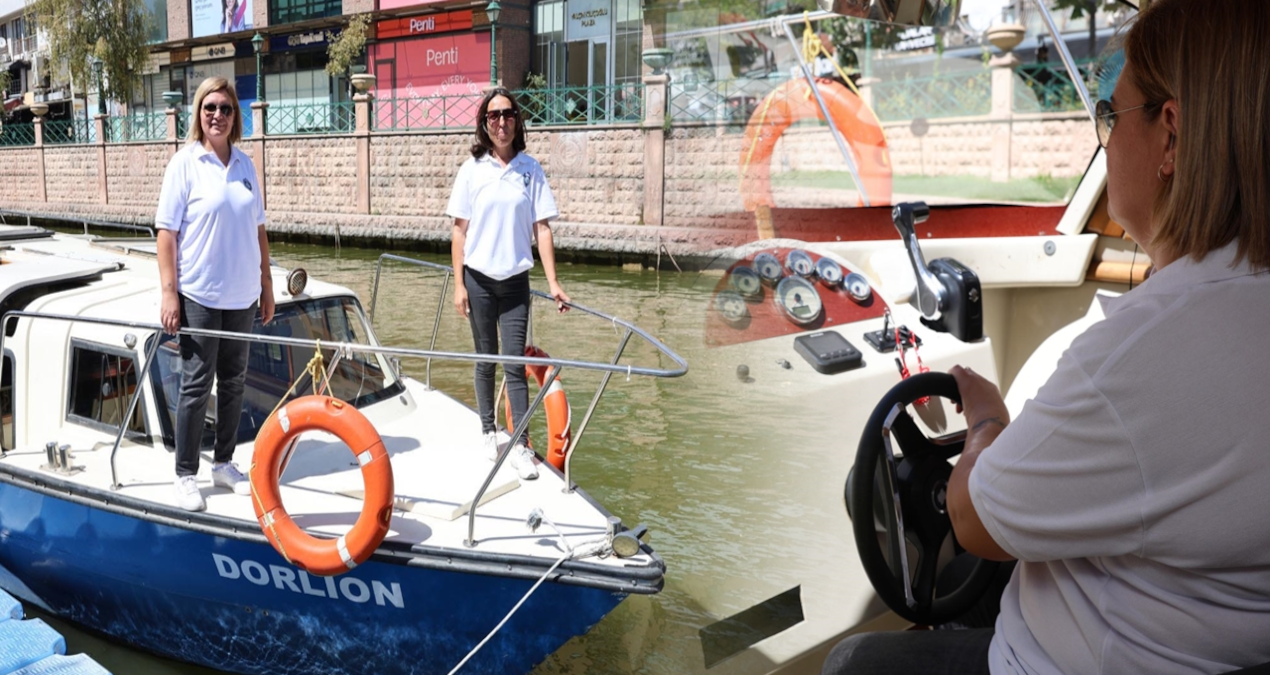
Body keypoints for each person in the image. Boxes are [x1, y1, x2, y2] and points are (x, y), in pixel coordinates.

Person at [823, 1, 1270, 673]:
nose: (1104, 141)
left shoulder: (1137, 357)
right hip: (1202, 634)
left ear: (1171, 138)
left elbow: (971, 519)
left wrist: (986, 422)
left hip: (1069, 659)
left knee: (852, 661)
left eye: (1110, 116)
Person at [155, 76, 274, 512]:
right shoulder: (184, 164)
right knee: (196, 384)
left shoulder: (245, 165)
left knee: (235, 382)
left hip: (242, 296)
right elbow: (166, 234)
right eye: (210, 108)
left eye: (225, 108)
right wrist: (170, 293)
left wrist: (266, 284)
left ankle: (223, 463)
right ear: (199, 113)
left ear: (235, 116)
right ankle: (185, 474)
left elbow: (258, 229)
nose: (218, 115)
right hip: (200, 295)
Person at [447, 87, 570, 481]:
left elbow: (542, 228)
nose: (502, 122)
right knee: (485, 359)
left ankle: (519, 444)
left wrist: (553, 282)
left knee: (514, 364)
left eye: (508, 114)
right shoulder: (472, 170)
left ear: (517, 120)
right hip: (479, 281)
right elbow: (458, 232)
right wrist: (459, 285)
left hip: (516, 283)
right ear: (484, 124)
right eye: (493, 116)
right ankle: (488, 430)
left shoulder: (530, 170)